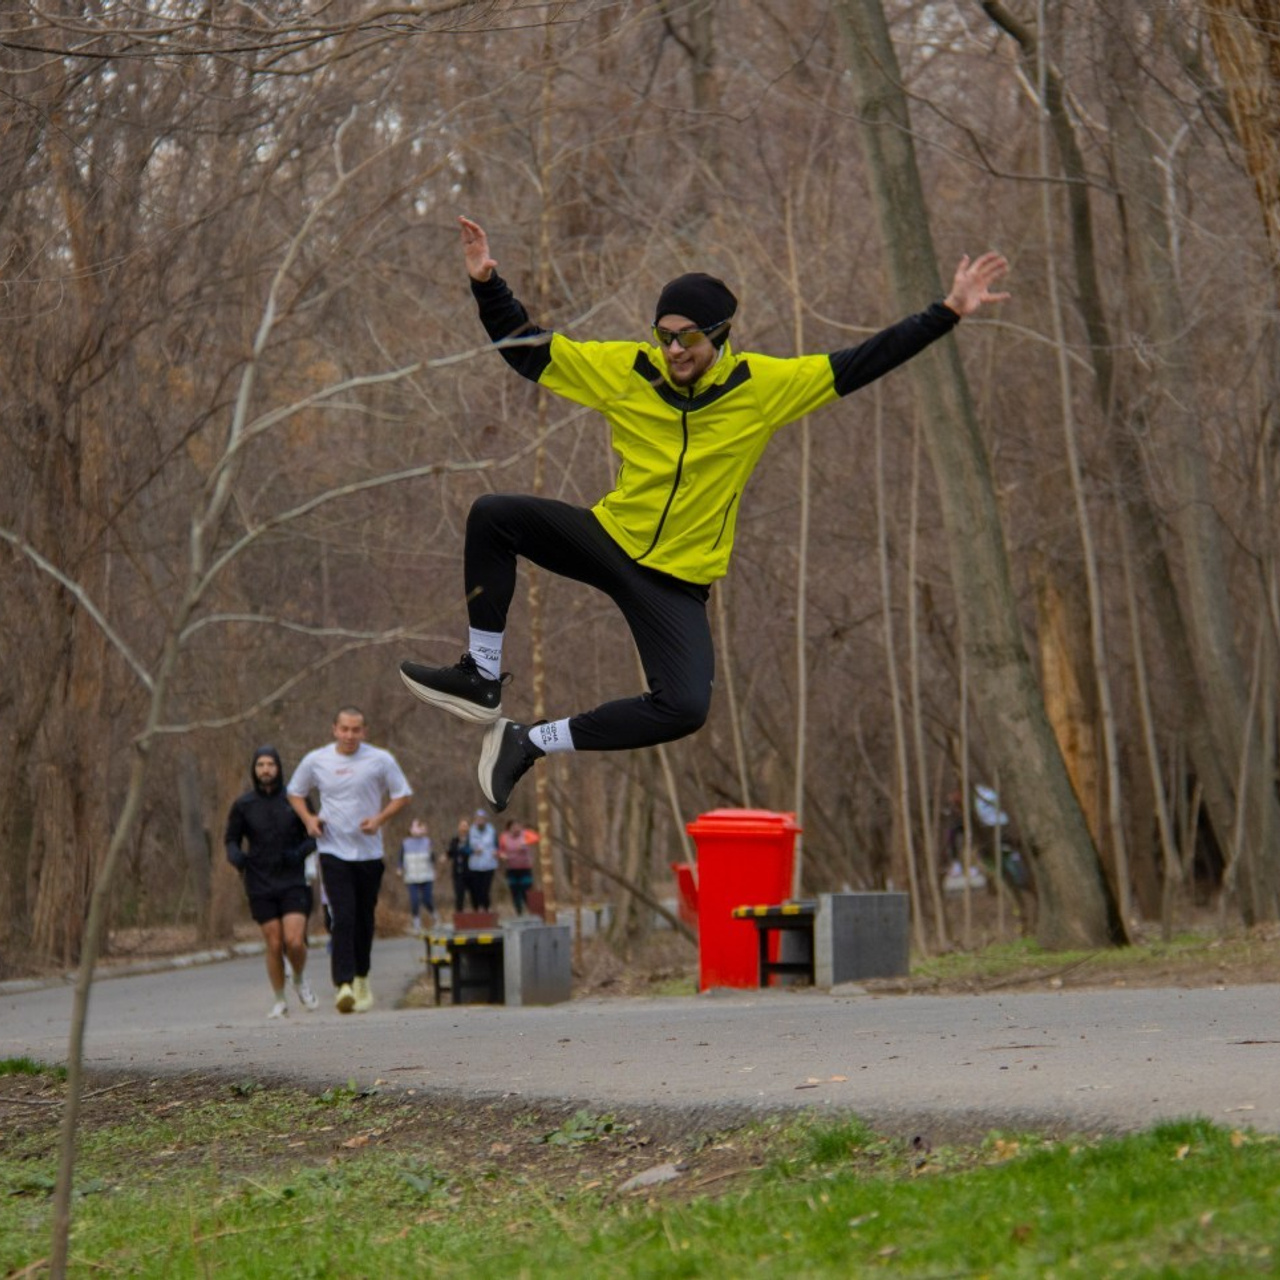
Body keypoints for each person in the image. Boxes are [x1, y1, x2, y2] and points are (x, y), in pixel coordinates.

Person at [401, 216, 1010, 812]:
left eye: (687, 337)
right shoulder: (627, 370)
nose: (671, 349)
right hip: (610, 538)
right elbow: (528, 350)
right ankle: (480, 674)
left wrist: (948, 311)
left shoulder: (763, 387)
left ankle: (526, 741)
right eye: (663, 334)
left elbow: (863, 361)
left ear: (719, 334)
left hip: (676, 581)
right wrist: (486, 283)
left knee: (684, 709)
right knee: (492, 514)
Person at [287, 707, 412, 1013]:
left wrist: (379, 819)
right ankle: (343, 984)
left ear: (364, 731)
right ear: (334, 729)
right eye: (344, 729)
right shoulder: (317, 760)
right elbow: (294, 792)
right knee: (343, 916)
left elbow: (402, 794)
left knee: (364, 918)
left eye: (356, 730)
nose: (350, 735)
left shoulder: (380, 759)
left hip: (369, 851)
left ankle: (362, 979)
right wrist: (309, 820)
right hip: (332, 849)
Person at [224, 746, 320, 1019]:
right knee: (275, 943)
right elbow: (231, 838)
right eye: (260, 765)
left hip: (292, 879)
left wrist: (298, 854)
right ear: (255, 770)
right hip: (259, 880)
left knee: (294, 941)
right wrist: (237, 858)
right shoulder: (244, 805)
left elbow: (313, 835)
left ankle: (299, 978)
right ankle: (279, 1000)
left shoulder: (295, 800)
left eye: (270, 764)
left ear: (279, 768)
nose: (266, 769)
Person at [397, 817, 436, 934]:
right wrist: (399, 868)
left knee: (427, 899)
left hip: (426, 875)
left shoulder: (428, 842)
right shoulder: (405, 843)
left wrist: (431, 851)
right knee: (414, 900)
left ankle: (435, 916)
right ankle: (416, 922)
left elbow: (433, 858)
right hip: (412, 876)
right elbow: (400, 858)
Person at [498, 819, 535, 916]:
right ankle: (519, 911)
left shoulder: (525, 834)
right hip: (511, 868)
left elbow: (536, 838)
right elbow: (500, 850)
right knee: (514, 890)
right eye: (513, 826)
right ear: (509, 828)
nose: (516, 828)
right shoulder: (504, 837)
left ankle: (530, 910)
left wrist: (524, 844)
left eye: (518, 826)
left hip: (525, 867)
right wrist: (502, 855)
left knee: (525, 890)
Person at [466, 808, 499, 911]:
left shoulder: (492, 830)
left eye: (482, 819)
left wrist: (496, 851)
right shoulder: (470, 831)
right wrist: (472, 851)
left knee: (486, 889)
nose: (480, 821)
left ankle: (486, 908)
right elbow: (466, 848)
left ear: (486, 820)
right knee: (476, 889)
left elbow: (497, 845)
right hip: (475, 865)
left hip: (489, 864)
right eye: (478, 819)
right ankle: (476, 909)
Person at [446, 817, 471, 913]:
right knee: (459, 894)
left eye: (465, 826)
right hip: (458, 871)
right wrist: (445, 856)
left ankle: (478, 915)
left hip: (471, 871)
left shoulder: (472, 839)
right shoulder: (455, 840)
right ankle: (459, 914)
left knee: (475, 894)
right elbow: (451, 852)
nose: (463, 828)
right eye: (461, 826)